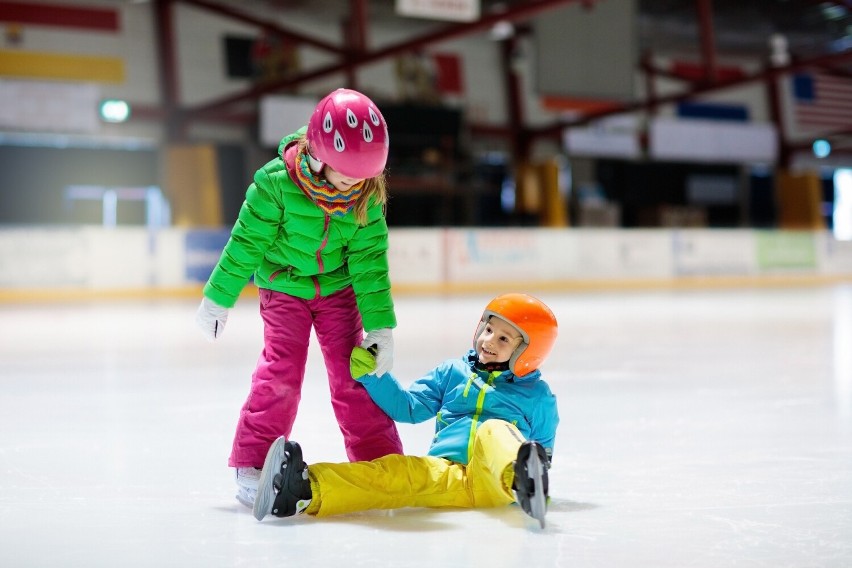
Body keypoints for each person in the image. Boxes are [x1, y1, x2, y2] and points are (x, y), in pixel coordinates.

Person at [195, 88, 404, 508]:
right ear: (319, 154)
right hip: (283, 287)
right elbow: (246, 244)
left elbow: (369, 263)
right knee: (281, 373)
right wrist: (218, 297)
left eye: (364, 176)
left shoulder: (365, 196)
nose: (355, 184)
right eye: (347, 174)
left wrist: (380, 325)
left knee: (354, 376)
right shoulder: (274, 185)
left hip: (337, 291)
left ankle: (379, 461)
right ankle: (253, 463)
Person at [252, 293, 559, 527]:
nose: (488, 340)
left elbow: (542, 451)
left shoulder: (538, 397)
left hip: (497, 481)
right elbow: (409, 407)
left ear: (528, 352)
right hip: (446, 473)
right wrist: (374, 377)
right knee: (396, 472)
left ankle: (524, 481)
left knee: (494, 431)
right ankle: (303, 488)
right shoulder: (453, 373)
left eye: (504, 338)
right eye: (488, 329)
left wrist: (532, 472)